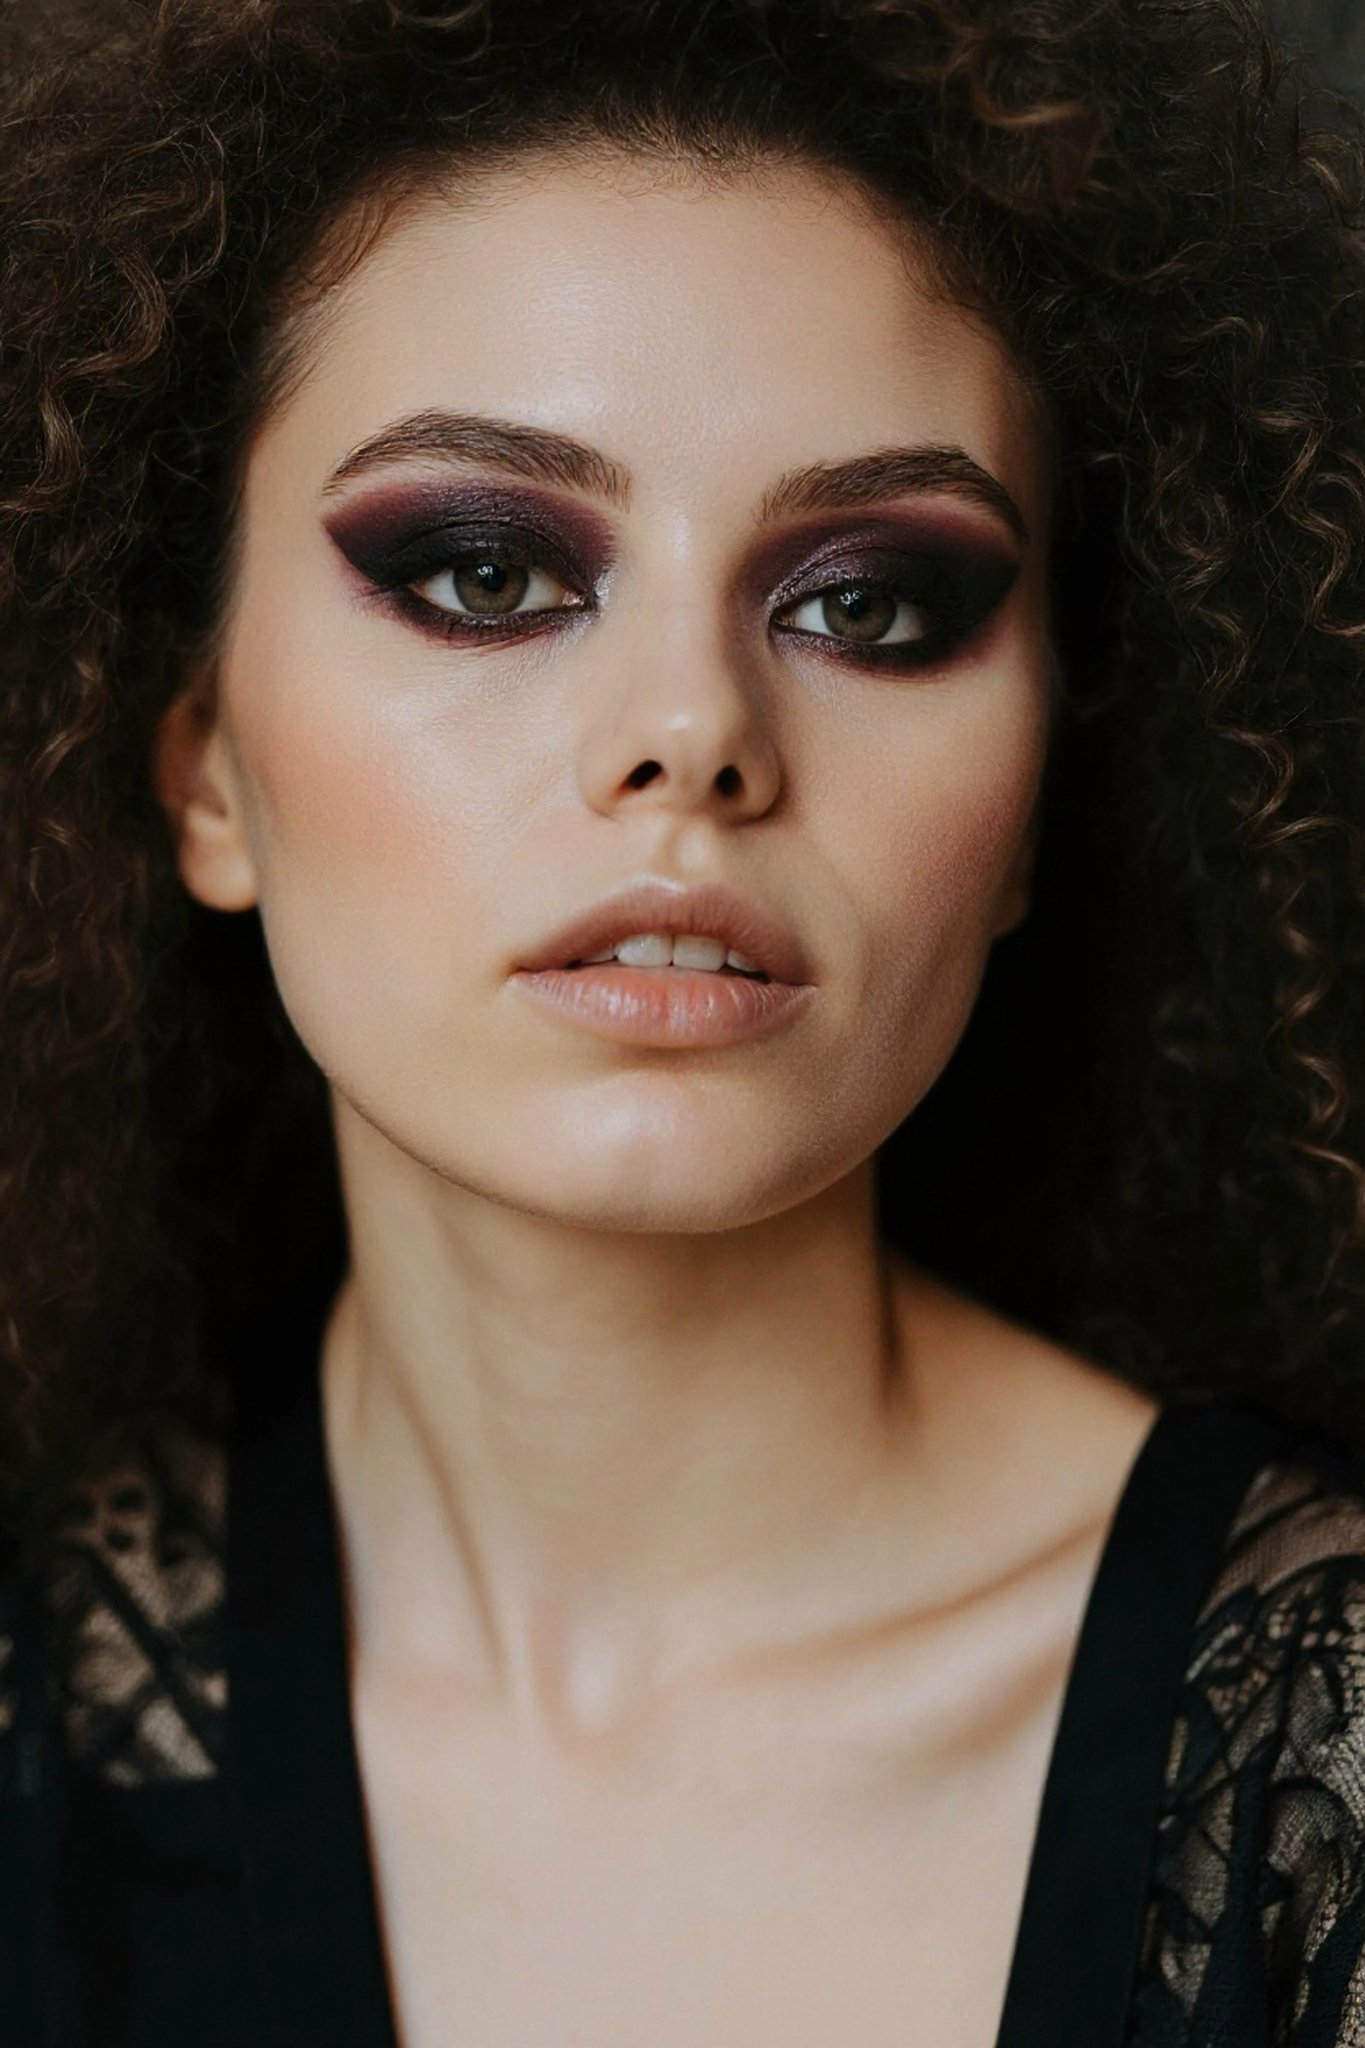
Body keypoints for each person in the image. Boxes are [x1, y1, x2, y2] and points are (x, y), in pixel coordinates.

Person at [2, 0, 1364, 2041]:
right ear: (201, 764)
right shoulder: (35, 1705)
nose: (690, 732)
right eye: (483, 575)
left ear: (1029, 810)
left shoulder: (1324, 1757)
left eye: (866, 603)